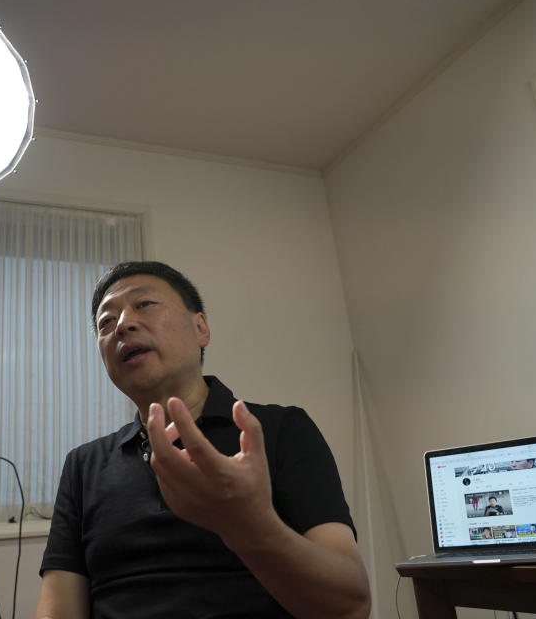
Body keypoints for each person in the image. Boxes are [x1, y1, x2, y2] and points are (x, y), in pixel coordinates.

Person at [35, 261, 371, 619]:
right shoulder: (83, 465)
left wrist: (245, 523)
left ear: (201, 328)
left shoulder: (280, 430)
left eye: (144, 304)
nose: (122, 325)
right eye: (106, 322)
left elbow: (349, 605)